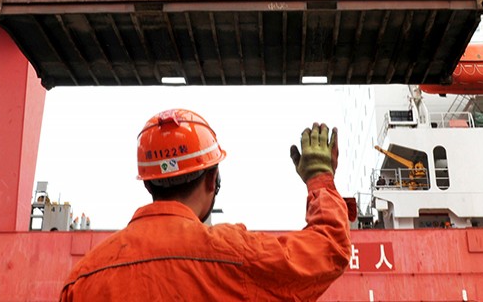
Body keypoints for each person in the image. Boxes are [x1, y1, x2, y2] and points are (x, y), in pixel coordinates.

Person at [59, 108, 351, 301]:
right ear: (212, 179)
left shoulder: (83, 278)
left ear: (148, 182)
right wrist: (320, 179)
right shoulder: (234, 254)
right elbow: (329, 250)